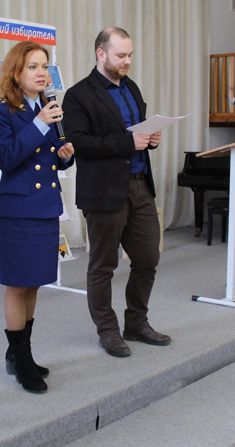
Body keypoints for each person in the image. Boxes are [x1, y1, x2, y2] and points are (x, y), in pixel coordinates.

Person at [62, 27, 170, 358]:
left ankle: (136, 323)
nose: (127, 61)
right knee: (103, 266)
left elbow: (137, 132)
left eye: (130, 55)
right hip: (104, 191)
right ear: (101, 53)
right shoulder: (78, 95)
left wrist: (151, 138)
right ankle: (107, 331)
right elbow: (78, 143)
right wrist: (128, 142)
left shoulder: (131, 87)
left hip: (140, 184)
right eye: (121, 55)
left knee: (149, 258)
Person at [0, 40, 74, 394]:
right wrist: (38, 124)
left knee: (35, 282)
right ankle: (21, 362)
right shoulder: (0, 110)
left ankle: (20, 353)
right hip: (19, 209)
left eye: (44, 66)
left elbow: (53, 158)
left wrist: (65, 155)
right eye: (33, 66)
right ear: (15, 71)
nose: (41, 73)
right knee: (17, 284)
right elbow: (6, 158)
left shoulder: (49, 108)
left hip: (45, 207)